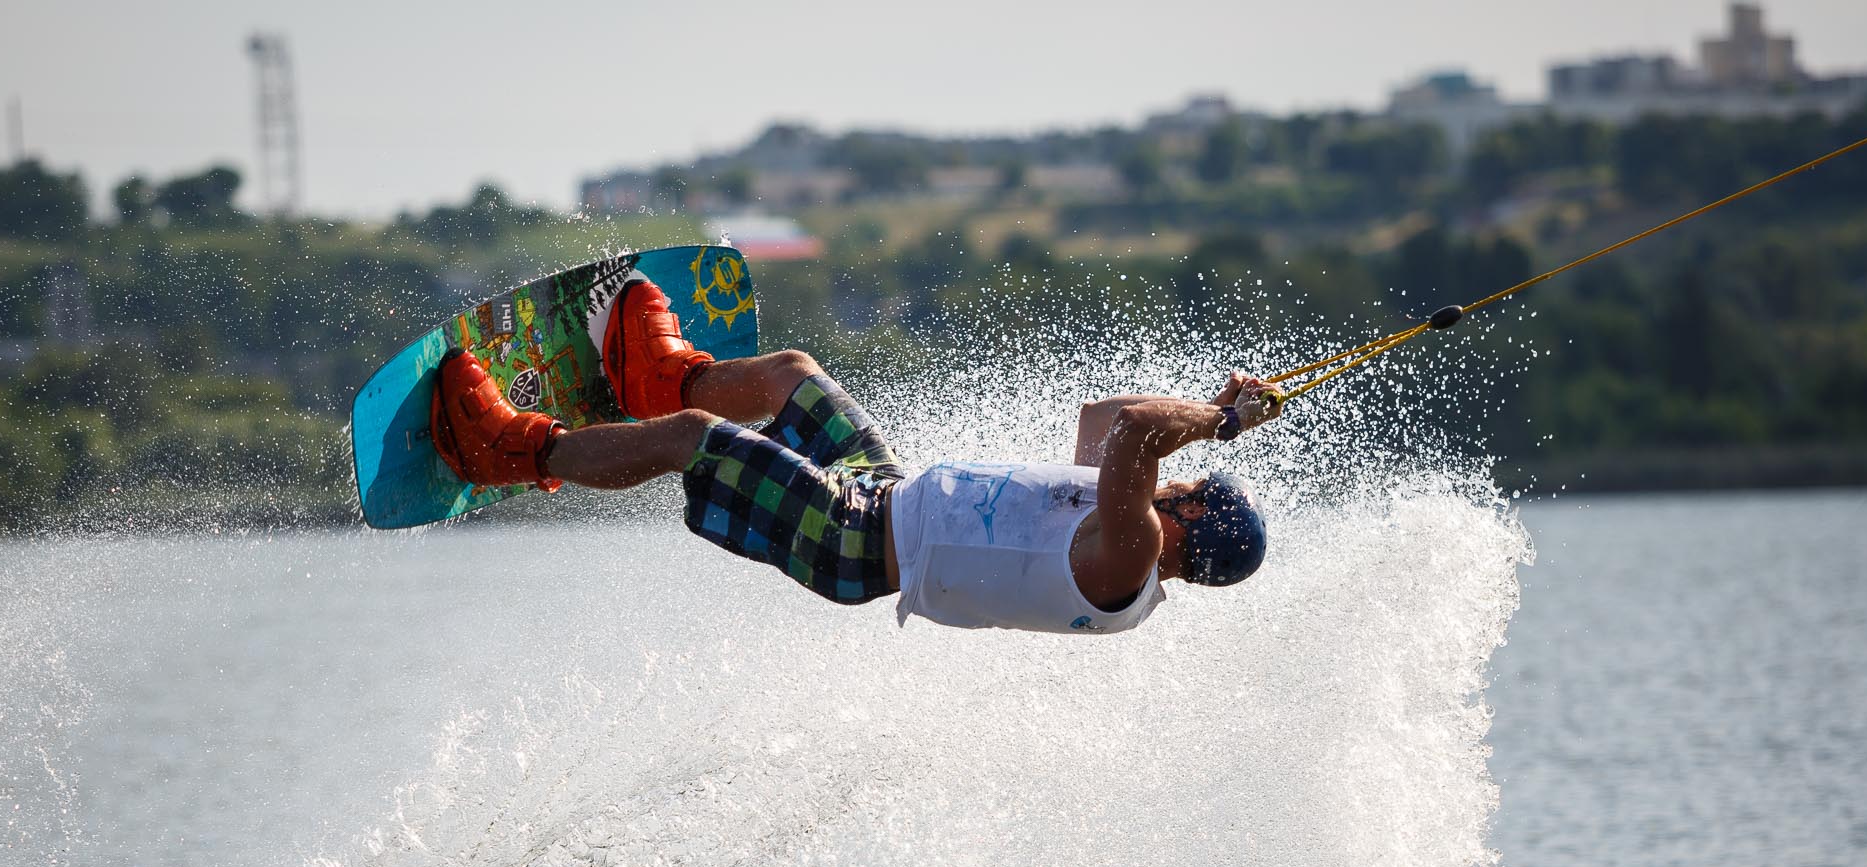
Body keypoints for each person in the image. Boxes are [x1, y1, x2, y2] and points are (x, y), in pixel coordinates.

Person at [430, 272, 1281, 635]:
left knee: (698, 448)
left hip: (852, 543)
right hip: (885, 494)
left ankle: (513, 449)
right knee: (793, 377)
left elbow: (1139, 438)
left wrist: (1223, 419)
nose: (1188, 472)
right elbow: (1106, 416)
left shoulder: (1128, 562)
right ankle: (659, 379)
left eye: (1200, 479)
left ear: (1196, 516)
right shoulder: (1118, 513)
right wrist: (1215, 407)